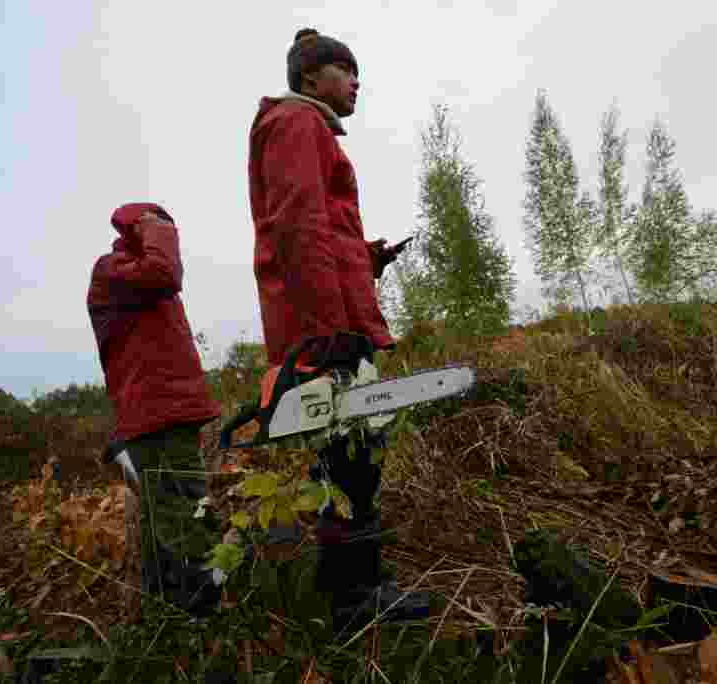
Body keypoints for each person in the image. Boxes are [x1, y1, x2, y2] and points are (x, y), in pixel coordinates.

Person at [247, 27, 428, 629]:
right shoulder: (298, 124)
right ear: (309, 78)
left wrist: (368, 257)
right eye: (346, 71)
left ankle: (353, 584)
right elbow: (298, 228)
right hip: (326, 327)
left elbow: (325, 235)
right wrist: (328, 329)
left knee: (349, 454)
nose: (356, 83)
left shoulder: (307, 130)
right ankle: (356, 598)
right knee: (349, 455)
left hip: (329, 314)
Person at [88, 202, 224, 618]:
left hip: (168, 418)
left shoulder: (136, 281)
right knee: (187, 521)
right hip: (157, 418)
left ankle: (172, 619)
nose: (167, 234)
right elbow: (165, 272)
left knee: (177, 514)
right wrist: (156, 227)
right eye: (159, 228)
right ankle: (201, 622)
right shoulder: (114, 272)